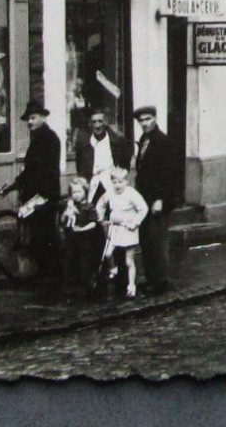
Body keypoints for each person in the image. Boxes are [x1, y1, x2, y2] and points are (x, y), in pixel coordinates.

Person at [0, 98, 62, 276]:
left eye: (33, 118)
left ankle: (54, 275)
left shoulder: (50, 139)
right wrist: (13, 186)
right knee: (37, 235)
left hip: (43, 196)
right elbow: (30, 171)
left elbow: (48, 171)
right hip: (35, 196)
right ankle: (43, 273)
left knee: (46, 235)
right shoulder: (38, 139)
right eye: (28, 119)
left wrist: (44, 197)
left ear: (43, 117)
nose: (30, 122)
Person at [132, 104, 182, 294]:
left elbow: (168, 174)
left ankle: (160, 281)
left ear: (155, 118)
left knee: (157, 240)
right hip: (144, 199)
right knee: (146, 240)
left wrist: (160, 199)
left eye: (147, 119)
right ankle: (151, 277)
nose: (144, 123)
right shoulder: (144, 140)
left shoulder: (164, 142)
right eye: (141, 120)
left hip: (157, 200)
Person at [98, 166, 149, 298]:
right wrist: (101, 218)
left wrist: (135, 222)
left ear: (126, 182)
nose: (117, 185)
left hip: (128, 229)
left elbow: (143, 208)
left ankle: (131, 285)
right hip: (115, 229)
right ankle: (113, 271)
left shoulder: (131, 193)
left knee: (128, 260)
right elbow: (101, 203)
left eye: (120, 182)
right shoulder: (110, 192)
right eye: (114, 182)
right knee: (107, 253)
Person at [74, 108, 132, 201]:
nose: (97, 125)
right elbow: (79, 166)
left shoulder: (117, 141)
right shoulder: (83, 143)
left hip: (112, 185)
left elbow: (125, 164)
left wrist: (120, 179)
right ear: (90, 124)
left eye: (100, 121)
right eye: (94, 122)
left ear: (105, 122)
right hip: (91, 185)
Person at [59, 176, 104, 297]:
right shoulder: (70, 205)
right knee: (70, 259)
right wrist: (66, 211)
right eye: (74, 192)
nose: (76, 195)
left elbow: (93, 223)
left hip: (85, 239)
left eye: (79, 191)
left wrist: (82, 229)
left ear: (85, 192)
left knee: (85, 262)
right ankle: (71, 285)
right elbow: (63, 221)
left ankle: (86, 285)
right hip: (72, 238)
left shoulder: (89, 207)